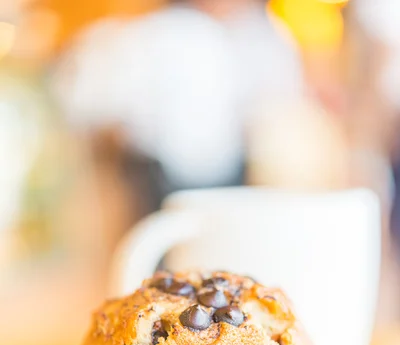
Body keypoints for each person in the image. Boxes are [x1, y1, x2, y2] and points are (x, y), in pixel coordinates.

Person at [53, 0, 303, 216]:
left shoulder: (261, 34)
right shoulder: (160, 32)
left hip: (233, 173)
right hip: (159, 176)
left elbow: (276, 107)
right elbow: (104, 106)